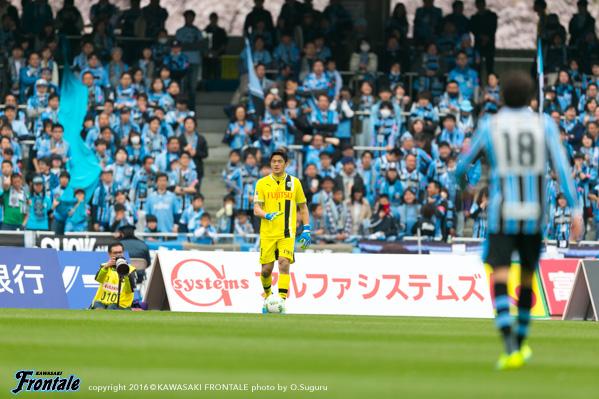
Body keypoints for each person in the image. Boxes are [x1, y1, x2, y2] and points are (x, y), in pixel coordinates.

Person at [455, 71, 582, 370]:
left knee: (499, 276)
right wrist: (575, 210)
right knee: (526, 277)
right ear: (530, 99)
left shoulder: (490, 124)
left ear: (500, 98)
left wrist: (467, 191)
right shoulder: (545, 125)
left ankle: (510, 345)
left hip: (502, 212)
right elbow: (562, 170)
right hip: (534, 213)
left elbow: (462, 166)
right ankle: (521, 345)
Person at [253, 149, 310, 313]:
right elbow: (257, 209)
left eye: (279, 161)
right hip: (267, 233)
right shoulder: (262, 183)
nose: (276, 164)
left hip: (287, 233)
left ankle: (281, 303)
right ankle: (268, 297)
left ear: (286, 164)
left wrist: (306, 229)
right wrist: (267, 215)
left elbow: (303, 206)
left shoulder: (295, 183)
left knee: (284, 263)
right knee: (266, 270)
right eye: (273, 161)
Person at [91, 242, 137, 310]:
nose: (118, 255)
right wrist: (106, 267)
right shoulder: (104, 266)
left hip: (121, 305)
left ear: (123, 253)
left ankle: (102, 315)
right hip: (103, 303)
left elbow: (130, 290)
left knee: (112, 307)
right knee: (96, 302)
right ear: (109, 255)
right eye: (115, 253)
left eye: (120, 252)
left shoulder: (131, 270)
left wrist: (125, 273)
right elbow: (98, 279)